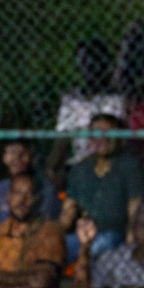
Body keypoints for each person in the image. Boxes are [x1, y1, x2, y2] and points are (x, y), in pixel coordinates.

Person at [64, 113, 144, 260]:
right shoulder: (80, 169)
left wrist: (131, 235)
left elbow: (136, 208)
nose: (102, 138)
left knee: (99, 247)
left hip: (114, 234)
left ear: (119, 138)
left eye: (109, 133)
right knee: (55, 248)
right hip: (84, 232)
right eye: (96, 133)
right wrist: (55, 233)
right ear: (90, 138)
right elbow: (69, 209)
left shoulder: (130, 167)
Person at [46, 39, 125, 186]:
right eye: (84, 60)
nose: (89, 66)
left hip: (106, 163)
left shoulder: (115, 99)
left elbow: (115, 143)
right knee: (52, 187)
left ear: (106, 63)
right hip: (76, 165)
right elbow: (61, 142)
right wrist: (52, 169)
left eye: (95, 60)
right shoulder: (72, 100)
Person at [0, 142, 57, 227]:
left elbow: (49, 227)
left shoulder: (46, 189)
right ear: (4, 157)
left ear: (32, 157)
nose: (17, 158)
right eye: (12, 152)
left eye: (23, 153)